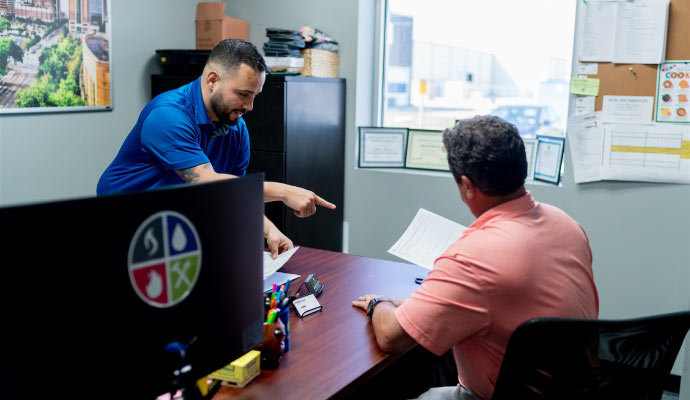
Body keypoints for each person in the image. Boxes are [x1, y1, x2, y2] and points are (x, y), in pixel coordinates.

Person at [353, 116, 598, 400]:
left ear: (467, 185)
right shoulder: (567, 225)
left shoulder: (471, 256)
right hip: (570, 388)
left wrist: (378, 303)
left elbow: (390, 336)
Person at [97, 39, 335, 258]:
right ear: (212, 80)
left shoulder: (236, 128)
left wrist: (269, 229)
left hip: (171, 224)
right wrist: (284, 191)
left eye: (255, 96)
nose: (250, 106)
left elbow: (231, 193)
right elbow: (206, 182)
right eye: (242, 94)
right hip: (124, 223)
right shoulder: (168, 115)